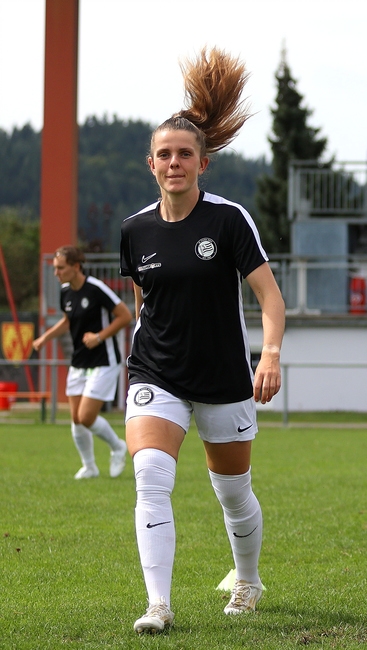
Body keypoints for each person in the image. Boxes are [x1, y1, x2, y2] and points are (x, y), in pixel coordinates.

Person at [119, 48, 285, 634]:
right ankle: (158, 605)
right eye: (163, 154)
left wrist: (269, 354)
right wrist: (140, 360)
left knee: (232, 492)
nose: (173, 163)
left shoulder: (229, 220)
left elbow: (270, 298)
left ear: (203, 162)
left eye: (184, 154)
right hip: (156, 373)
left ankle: (248, 579)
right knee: (151, 478)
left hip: (223, 376)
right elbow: (146, 301)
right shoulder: (134, 230)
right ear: (151, 163)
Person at [31, 246, 132, 479]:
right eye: (55, 268)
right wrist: (45, 338)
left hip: (104, 360)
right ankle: (90, 467)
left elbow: (125, 315)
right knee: (76, 419)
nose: (56, 273)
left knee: (86, 417)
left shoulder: (96, 289)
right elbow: (68, 320)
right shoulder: (66, 291)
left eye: (60, 268)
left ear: (76, 267)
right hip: (79, 362)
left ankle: (118, 446)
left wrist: (99, 336)